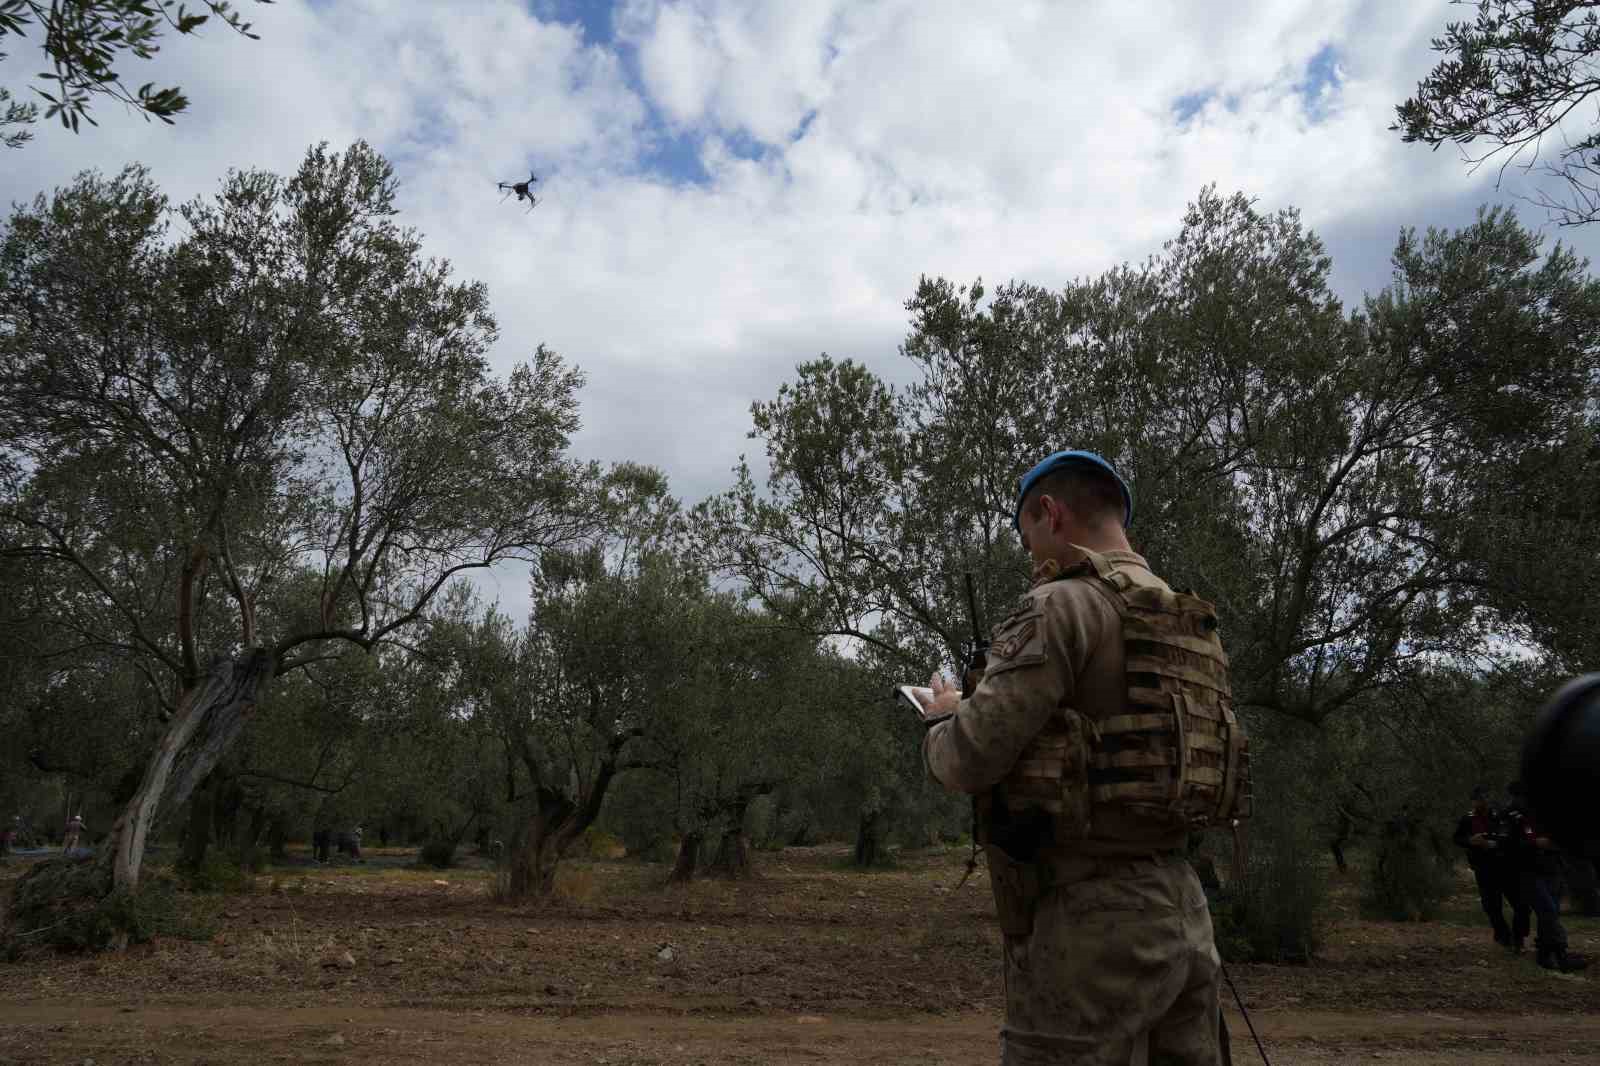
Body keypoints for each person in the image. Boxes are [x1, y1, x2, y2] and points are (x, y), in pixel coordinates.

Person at [919, 450, 1246, 1065]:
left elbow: (969, 758)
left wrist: (943, 721)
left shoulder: (1063, 605)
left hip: (1090, 928)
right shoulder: (1188, 621)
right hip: (1184, 908)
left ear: (1050, 512)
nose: (1031, 555)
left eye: (1028, 537)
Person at [1507, 780, 1588, 973]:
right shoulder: (1514, 815)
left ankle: (1544, 955)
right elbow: (1511, 845)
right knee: (1548, 911)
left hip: (1552, 869)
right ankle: (1561, 955)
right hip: (1528, 872)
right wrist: (1536, 844)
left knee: (1549, 914)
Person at [1453, 785, 1516, 947]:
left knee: (1518, 903)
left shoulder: (1500, 816)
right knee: (1491, 904)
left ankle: (1518, 935)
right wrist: (1470, 841)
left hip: (1504, 864)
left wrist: (1495, 844)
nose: (1482, 803)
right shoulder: (1467, 819)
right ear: (1473, 801)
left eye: (1485, 799)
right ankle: (1503, 934)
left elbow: (1511, 837)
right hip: (1483, 866)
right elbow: (1458, 838)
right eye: (1479, 799)